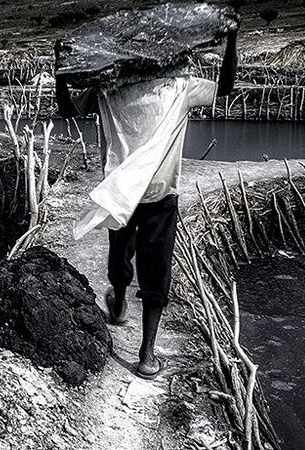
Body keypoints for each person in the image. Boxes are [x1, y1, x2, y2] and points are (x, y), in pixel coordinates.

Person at [55, 21, 238, 379]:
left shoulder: (107, 91)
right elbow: (227, 86)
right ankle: (147, 354)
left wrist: (60, 70)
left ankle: (120, 305)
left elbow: (66, 110)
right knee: (156, 270)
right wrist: (232, 38)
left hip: (122, 195)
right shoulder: (180, 87)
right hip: (159, 195)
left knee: (120, 253)